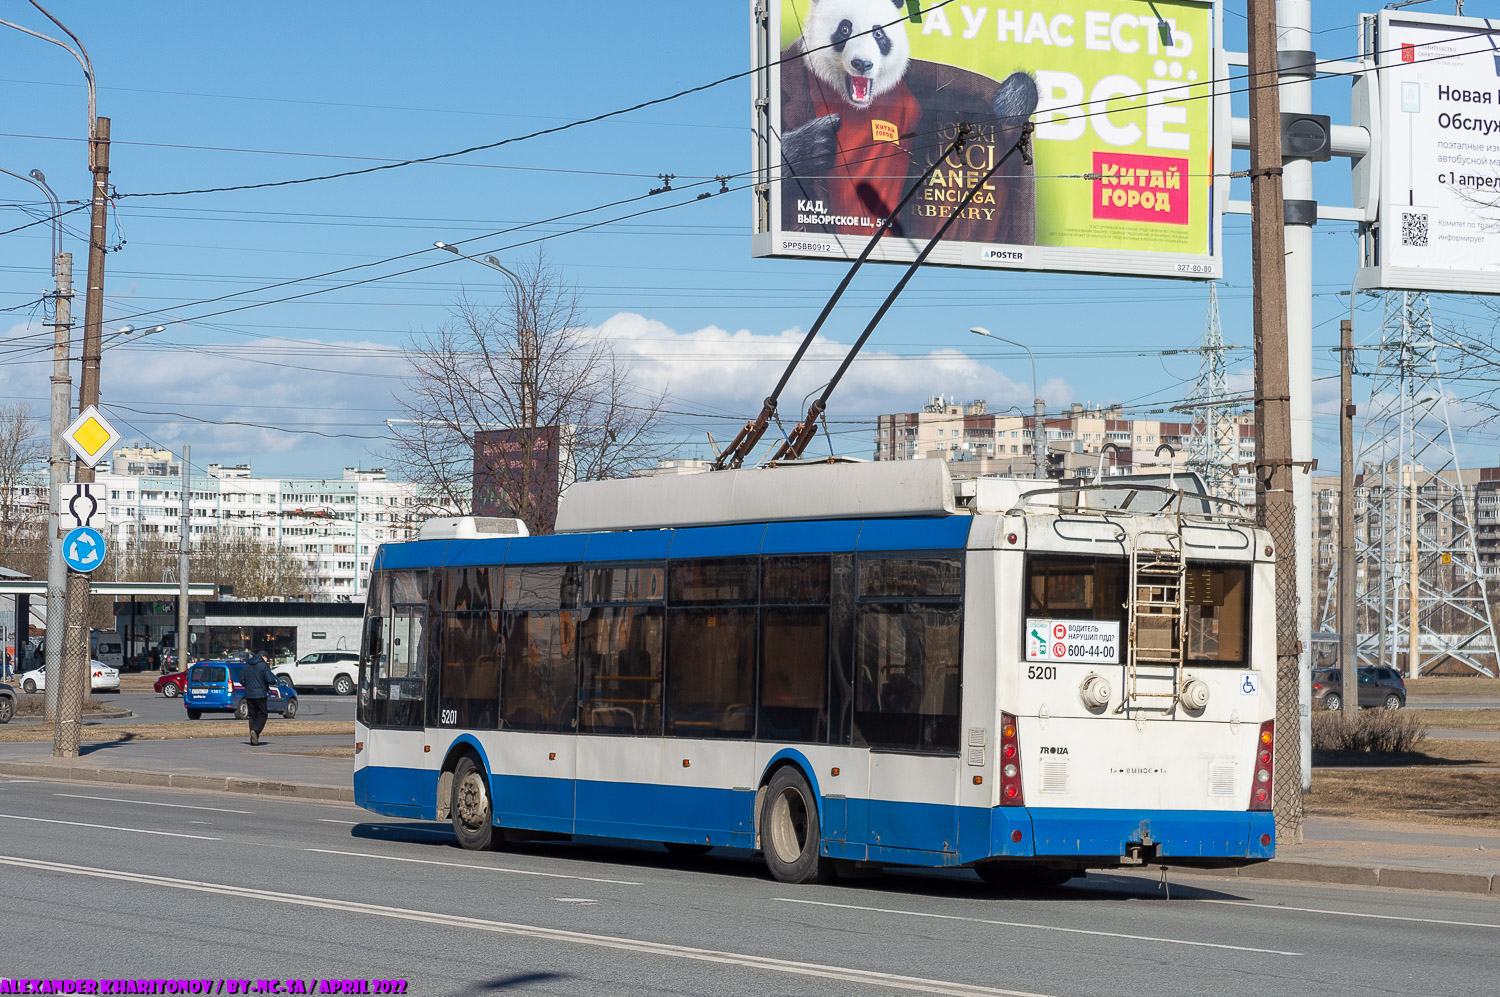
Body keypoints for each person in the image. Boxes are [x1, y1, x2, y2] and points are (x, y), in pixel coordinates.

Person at [241, 652, 278, 746]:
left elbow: (241, 680)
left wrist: (249, 686)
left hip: (249, 694)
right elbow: (269, 679)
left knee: (252, 715)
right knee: (263, 714)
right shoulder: (264, 665)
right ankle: (256, 730)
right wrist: (274, 681)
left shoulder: (246, 665)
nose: (267, 660)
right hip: (261, 694)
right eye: (267, 658)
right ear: (263, 656)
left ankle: (254, 738)